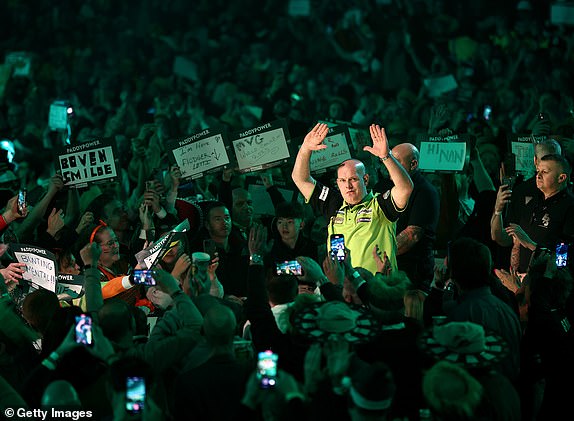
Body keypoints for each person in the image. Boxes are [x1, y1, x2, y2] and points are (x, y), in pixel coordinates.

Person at [291, 123, 413, 275]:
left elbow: (405, 188)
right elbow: (300, 179)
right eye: (342, 180)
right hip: (343, 288)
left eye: (353, 179)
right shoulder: (333, 203)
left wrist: (385, 156)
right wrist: (305, 149)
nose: (347, 185)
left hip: (377, 289)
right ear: (337, 183)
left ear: (366, 179)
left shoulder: (380, 204)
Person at [491, 153, 574, 275]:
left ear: (561, 178)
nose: (538, 176)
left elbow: (562, 260)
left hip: (548, 283)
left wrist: (529, 243)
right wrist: (498, 210)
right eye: (538, 171)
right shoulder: (532, 201)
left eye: (544, 172)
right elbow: (501, 237)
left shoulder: (569, 207)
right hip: (523, 280)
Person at [379, 142, 440, 290]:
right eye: (389, 159)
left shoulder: (426, 192)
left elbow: (413, 235)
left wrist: (380, 253)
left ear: (413, 164)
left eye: (396, 161)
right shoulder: (383, 186)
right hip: (385, 266)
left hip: (411, 272)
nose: (390, 165)